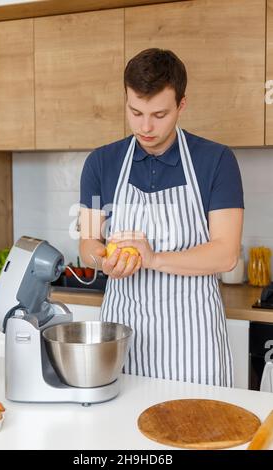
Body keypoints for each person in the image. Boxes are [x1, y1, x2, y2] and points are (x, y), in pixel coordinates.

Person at [79, 48, 244, 387]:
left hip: (194, 346)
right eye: (135, 112)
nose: (146, 126)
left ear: (181, 105)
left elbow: (226, 254)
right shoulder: (101, 163)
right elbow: (88, 243)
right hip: (123, 339)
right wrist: (104, 259)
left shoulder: (216, 161)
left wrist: (151, 257)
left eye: (159, 114)